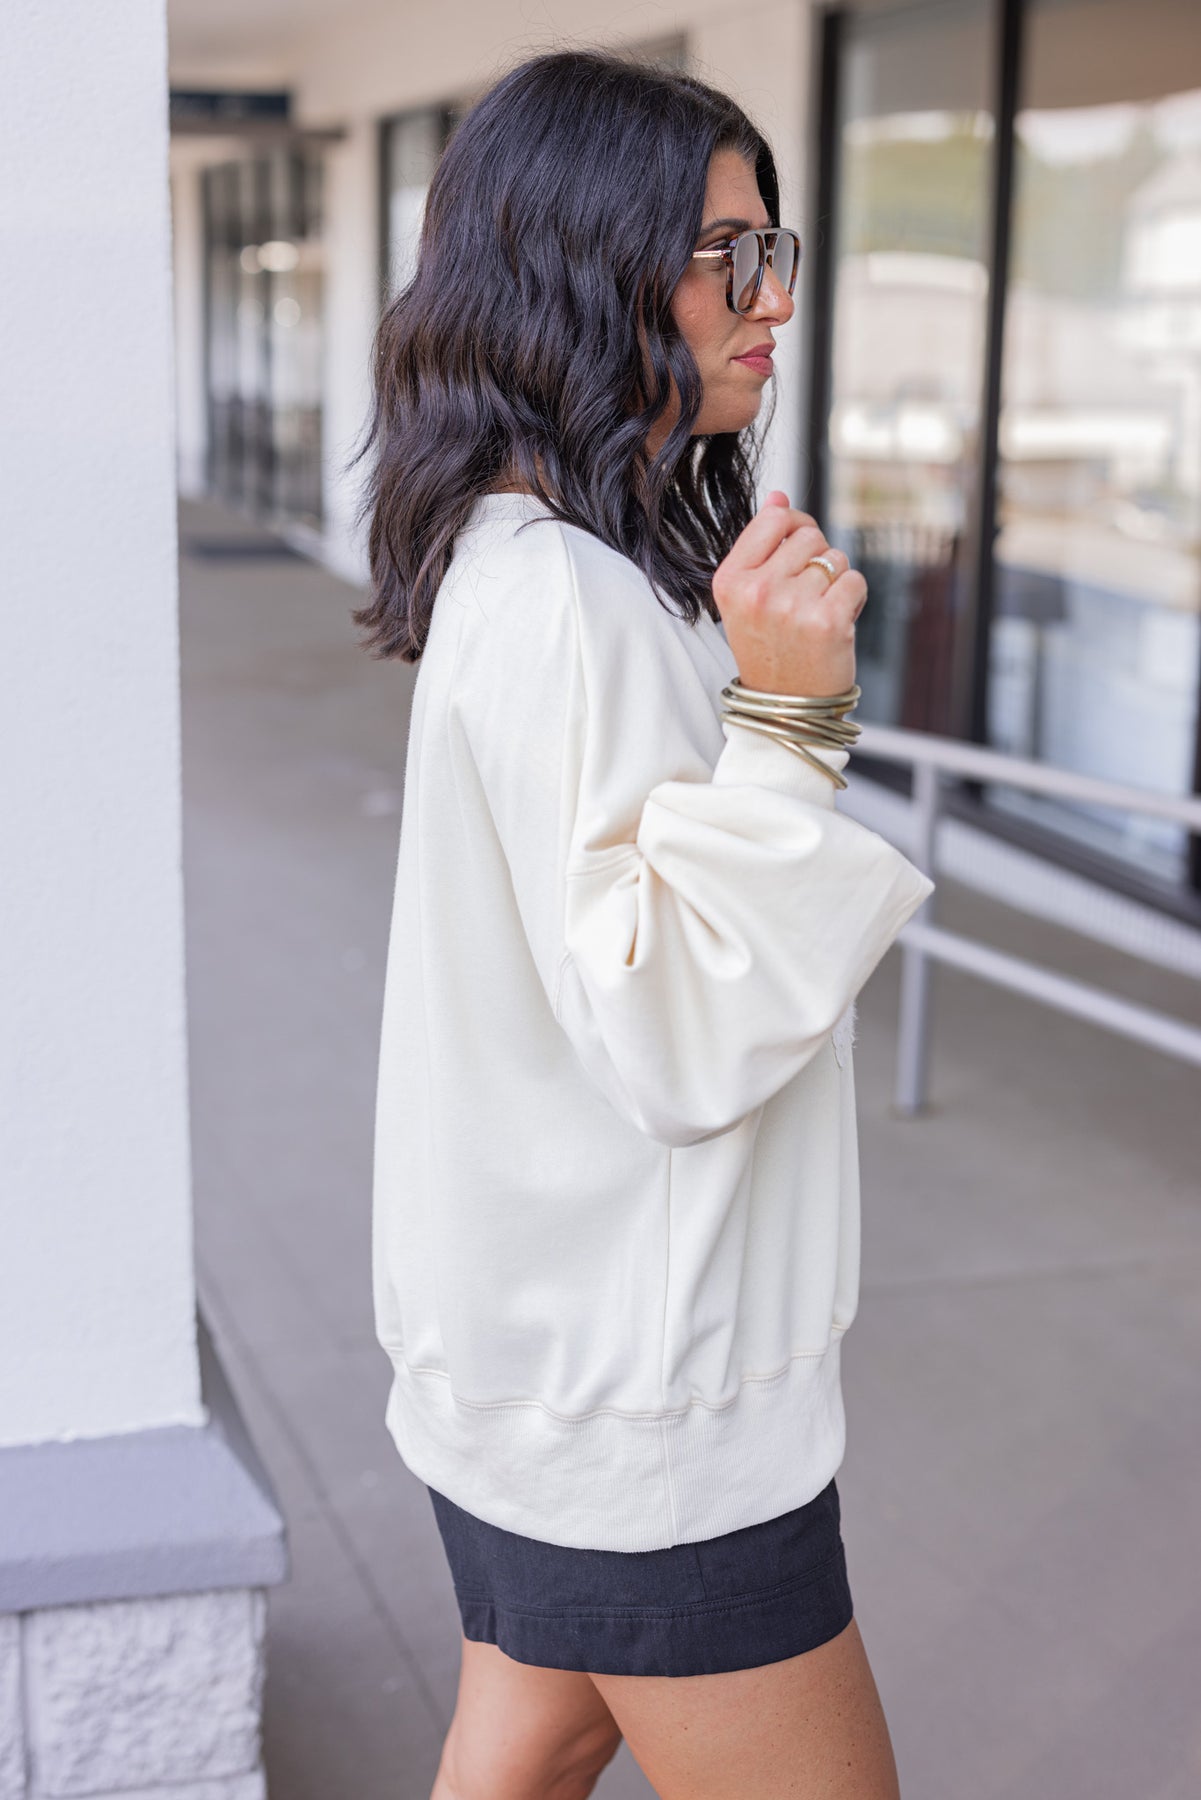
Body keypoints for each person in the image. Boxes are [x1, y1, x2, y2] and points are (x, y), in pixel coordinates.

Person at [352, 46, 935, 1800]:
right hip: (643, 1397)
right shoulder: (565, 599)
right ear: (582, 268)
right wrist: (792, 717)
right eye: (724, 257)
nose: (771, 301)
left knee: (524, 1749)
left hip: (557, 1361)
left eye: (775, 249)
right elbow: (668, 1028)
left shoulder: (543, 557)